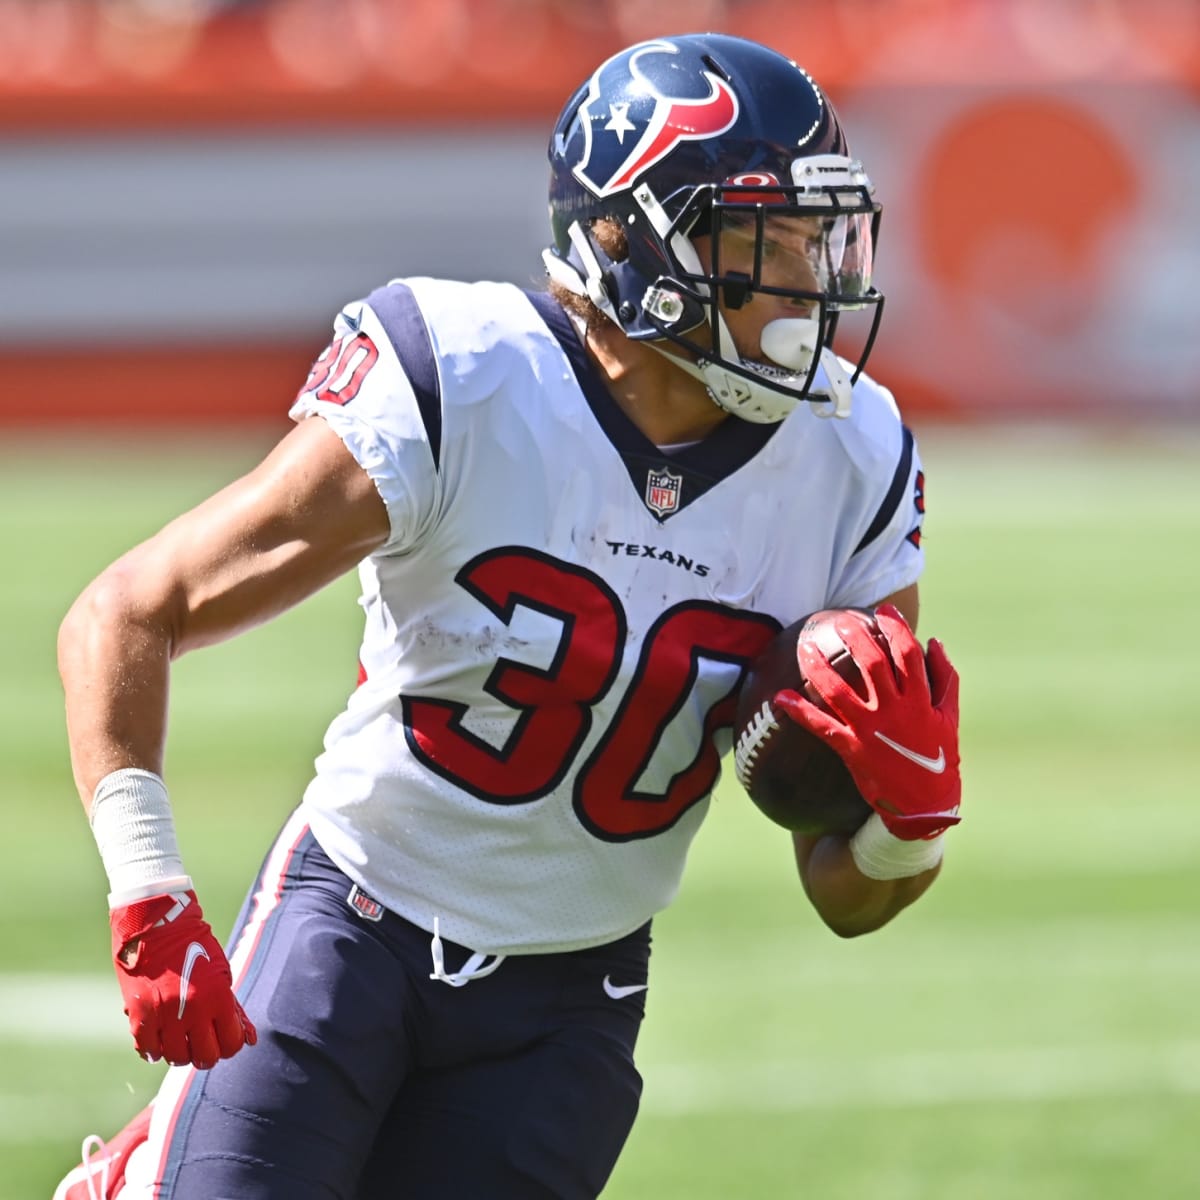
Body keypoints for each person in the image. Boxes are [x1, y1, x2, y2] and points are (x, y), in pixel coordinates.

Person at [53, 31, 962, 1200]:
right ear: (634, 239)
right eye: (762, 239)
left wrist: (910, 824)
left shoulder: (854, 452)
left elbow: (849, 892)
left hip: (570, 1003)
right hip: (352, 929)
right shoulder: (470, 377)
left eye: (815, 237)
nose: (807, 282)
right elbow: (128, 610)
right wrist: (149, 893)